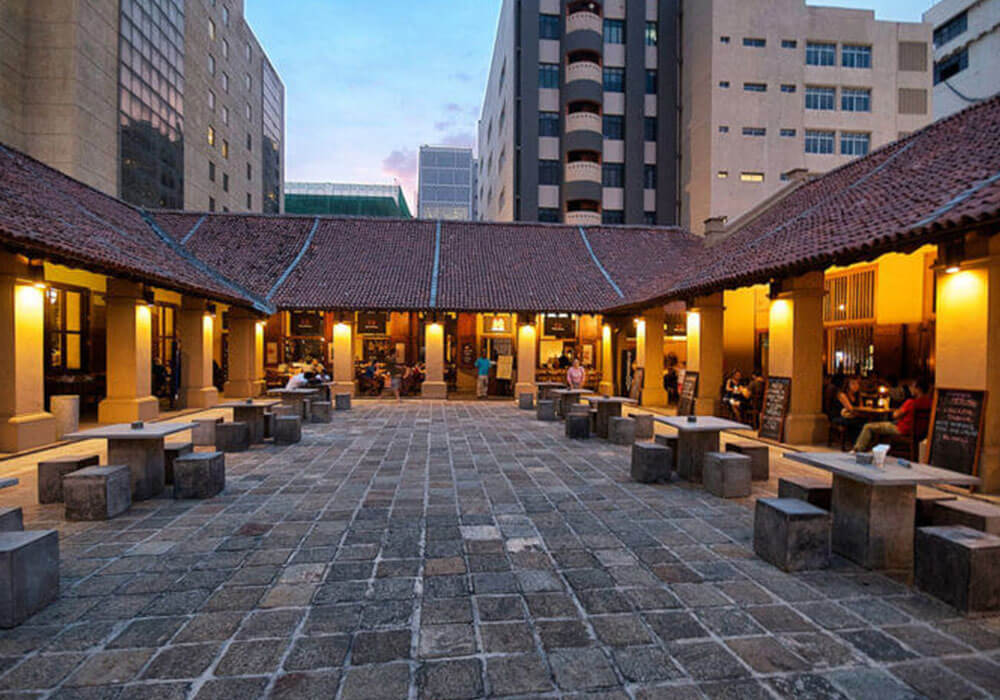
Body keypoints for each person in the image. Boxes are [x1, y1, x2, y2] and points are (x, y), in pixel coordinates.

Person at [854, 377, 933, 452]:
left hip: (902, 430)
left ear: (918, 389)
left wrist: (897, 412)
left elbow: (895, 415)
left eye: (912, 386)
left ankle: (857, 449)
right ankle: (874, 450)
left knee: (868, 426)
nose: (910, 388)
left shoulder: (911, 402)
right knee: (883, 426)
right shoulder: (931, 403)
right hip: (920, 433)